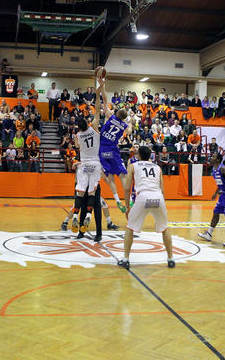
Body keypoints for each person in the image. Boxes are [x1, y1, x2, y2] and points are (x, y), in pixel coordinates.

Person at [117, 146, 174, 269]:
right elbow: (162, 189)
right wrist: (162, 204)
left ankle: (126, 259)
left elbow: (127, 188)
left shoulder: (133, 166)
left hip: (143, 196)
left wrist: (127, 206)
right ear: (150, 156)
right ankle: (171, 259)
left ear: (138, 155)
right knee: (165, 228)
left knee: (130, 228)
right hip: (158, 197)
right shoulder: (158, 168)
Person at [71, 75, 104, 234]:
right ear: (88, 123)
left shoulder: (78, 136)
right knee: (92, 192)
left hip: (84, 164)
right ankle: (89, 215)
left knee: (80, 191)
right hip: (95, 164)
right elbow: (97, 110)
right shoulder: (94, 127)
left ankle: (75, 215)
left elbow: (77, 146)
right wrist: (98, 92)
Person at [97, 73, 132, 212]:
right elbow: (129, 131)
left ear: (116, 113)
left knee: (110, 177)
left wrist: (103, 84)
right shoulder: (124, 125)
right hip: (113, 150)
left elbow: (105, 100)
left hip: (102, 151)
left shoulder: (110, 116)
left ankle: (117, 201)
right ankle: (129, 200)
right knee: (122, 175)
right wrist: (129, 121)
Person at [198, 153, 225, 247]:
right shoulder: (214, 169)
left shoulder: (222, 168)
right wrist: (216, 193)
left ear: (218, 160)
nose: (211, 158)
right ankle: (209, 234)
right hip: (224, 194)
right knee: (216, 212)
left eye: (213, 157)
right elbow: (220, 183)